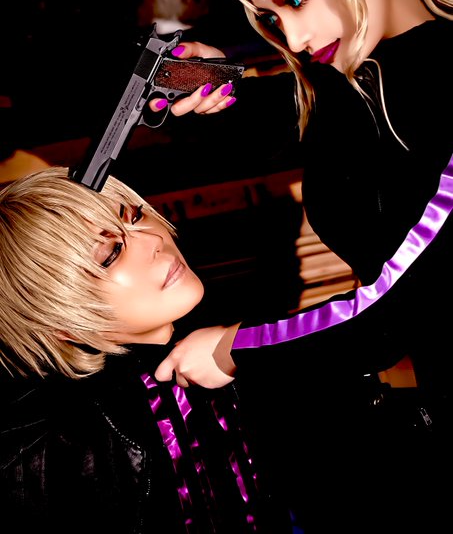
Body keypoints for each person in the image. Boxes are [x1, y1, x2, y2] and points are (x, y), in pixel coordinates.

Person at [148, 0, 453, 534]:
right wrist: (207, 79)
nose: (290, 37)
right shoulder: (362, 77)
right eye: (269, 15)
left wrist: (236, 349)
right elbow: (316, 120)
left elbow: (393, 310)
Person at [0, 167, 293, 534]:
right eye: (110, 254)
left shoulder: (233, 334)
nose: (153, 239)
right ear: (58, 316)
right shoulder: (46, 449)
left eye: (135, 216)